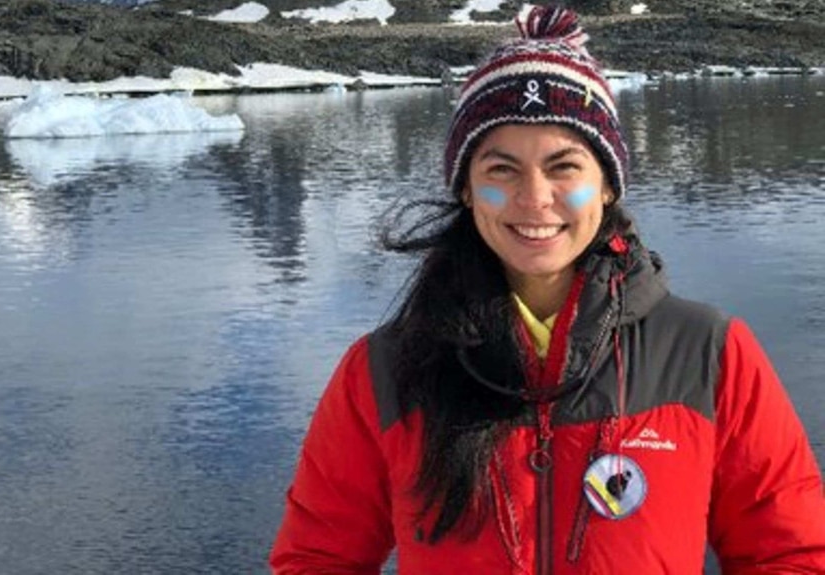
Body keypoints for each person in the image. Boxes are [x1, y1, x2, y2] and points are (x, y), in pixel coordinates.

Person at [269, 5, 825, 573]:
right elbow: (317, 559)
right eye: (501, 170)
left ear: (608, 185)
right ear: (466, 188)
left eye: (564, 168)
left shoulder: (708, 354)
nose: (534, 199)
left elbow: (790, 554)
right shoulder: (384, 371)